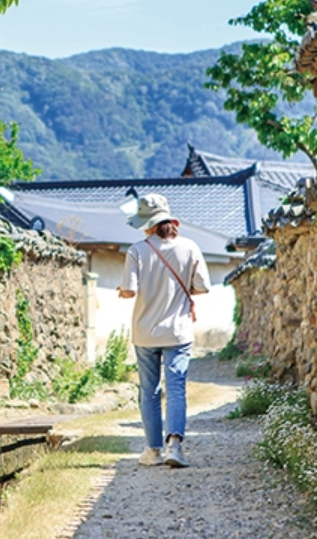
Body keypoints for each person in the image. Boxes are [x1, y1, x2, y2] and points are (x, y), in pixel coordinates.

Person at [117, 193, 210, 468]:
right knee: (177, 387)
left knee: (149, 390)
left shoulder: (137, 250)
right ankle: (175, 447)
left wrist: (122, 292)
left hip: (145, 332)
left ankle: (153, 451)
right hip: (179, 332)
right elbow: (202, 287)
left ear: (148, 224)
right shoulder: (190, 247)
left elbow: (130, 290)